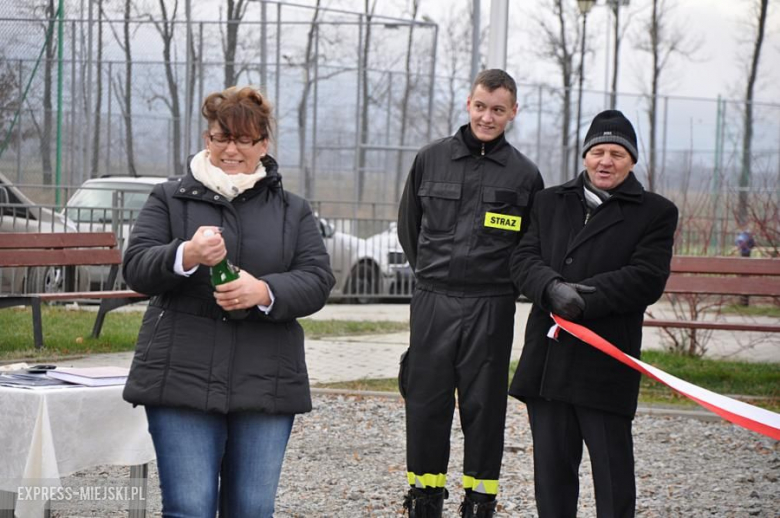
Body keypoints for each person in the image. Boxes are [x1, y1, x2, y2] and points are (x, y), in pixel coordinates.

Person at [121, 86, 335, 517]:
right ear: (207, 139)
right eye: (222, 138)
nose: (231, 149)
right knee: (189, 507)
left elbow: (317, 279)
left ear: (263, 145)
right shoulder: (169, 197)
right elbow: (137, 267)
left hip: (267, 378)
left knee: (252, 509)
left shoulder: (292, 210)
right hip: (180, 372)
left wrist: (264, 291)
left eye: (243, 139)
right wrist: (186, 254)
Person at [509, 110, 678, 518]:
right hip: (548, 363)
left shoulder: (655, 212)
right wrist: (550, 288)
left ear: (632, 160)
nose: (606, 161)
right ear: (585, 156)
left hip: (605, 363)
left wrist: (585, 298)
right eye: (598, 151)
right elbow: (522, 257)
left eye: (617, 153)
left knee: (612, 474)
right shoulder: (549, 201)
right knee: (551, 475)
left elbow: (646, 278)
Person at [397, 69, 544, 518]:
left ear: (513, 112)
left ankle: (480, 501)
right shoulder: (431, 159)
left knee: (484, 407)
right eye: (481, 106)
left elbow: (528, 246)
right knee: (426, 402)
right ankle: (424, 497)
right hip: (434, 298)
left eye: (498, 109)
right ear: (468, 103)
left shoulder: (524, 175)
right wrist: (432, 279)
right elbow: (410, 229)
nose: (487, 117)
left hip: (491, 305)